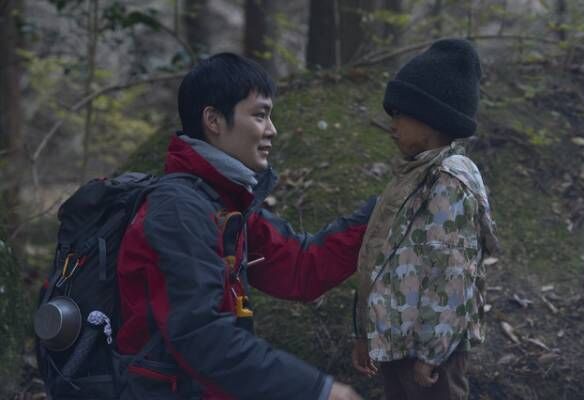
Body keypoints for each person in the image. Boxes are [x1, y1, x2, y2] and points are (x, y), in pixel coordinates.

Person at [116, 52, 374, 400]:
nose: (272, 130)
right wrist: (318, 391)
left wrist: (381, 213)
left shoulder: (223, 206)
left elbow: (301, 267)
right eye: (260, 115)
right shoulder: (179, 213)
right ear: (214, 120)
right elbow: (201, 337)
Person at [351, 39, 499, 400]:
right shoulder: (411, 177)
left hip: (430, 355)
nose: (392, 124)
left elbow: (453, 274)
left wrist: (434, 351)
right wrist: (365, 334)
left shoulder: (449, 182)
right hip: (397, 342)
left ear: (431, 118)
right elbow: (378, 259)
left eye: (401, 113)